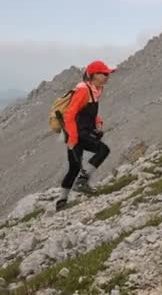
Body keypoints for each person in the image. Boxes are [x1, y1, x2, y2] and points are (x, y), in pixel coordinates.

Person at [56, 60, 115, 211]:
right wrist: (73, 138)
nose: (108, 76)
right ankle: (82, 182)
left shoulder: (95, 89)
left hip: (82, 132)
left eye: (108, 73)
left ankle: (61, 202)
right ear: (94, 75)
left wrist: (97, 120)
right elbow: (70, 115)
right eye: (105, 74)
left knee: (74, 167)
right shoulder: (84, 91)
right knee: (103, 150)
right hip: (77, 133)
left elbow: (86, 111)